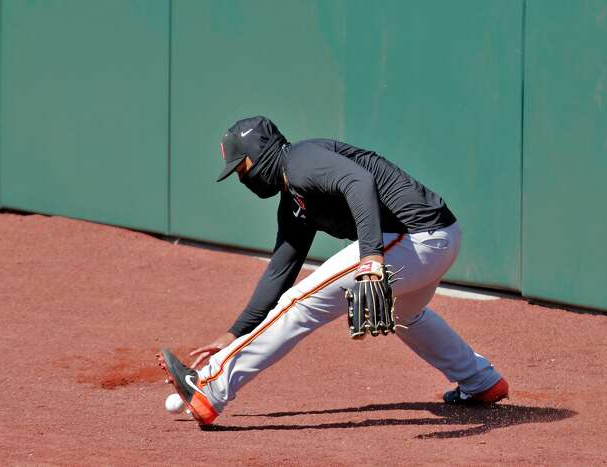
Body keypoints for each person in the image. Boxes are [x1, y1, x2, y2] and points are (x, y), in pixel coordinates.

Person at [157, 116, 508, 427]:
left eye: (241, 166)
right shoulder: (293, 199)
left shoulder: (300, 160)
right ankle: (479, 380)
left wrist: (371, 256)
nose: (241, 176)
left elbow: (359, 182)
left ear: (259, 151)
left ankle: (209, 388)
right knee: (405, 313)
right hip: (434, 239)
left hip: (414, 236)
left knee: (300, 304)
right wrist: (234, 333)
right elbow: (279, 272)